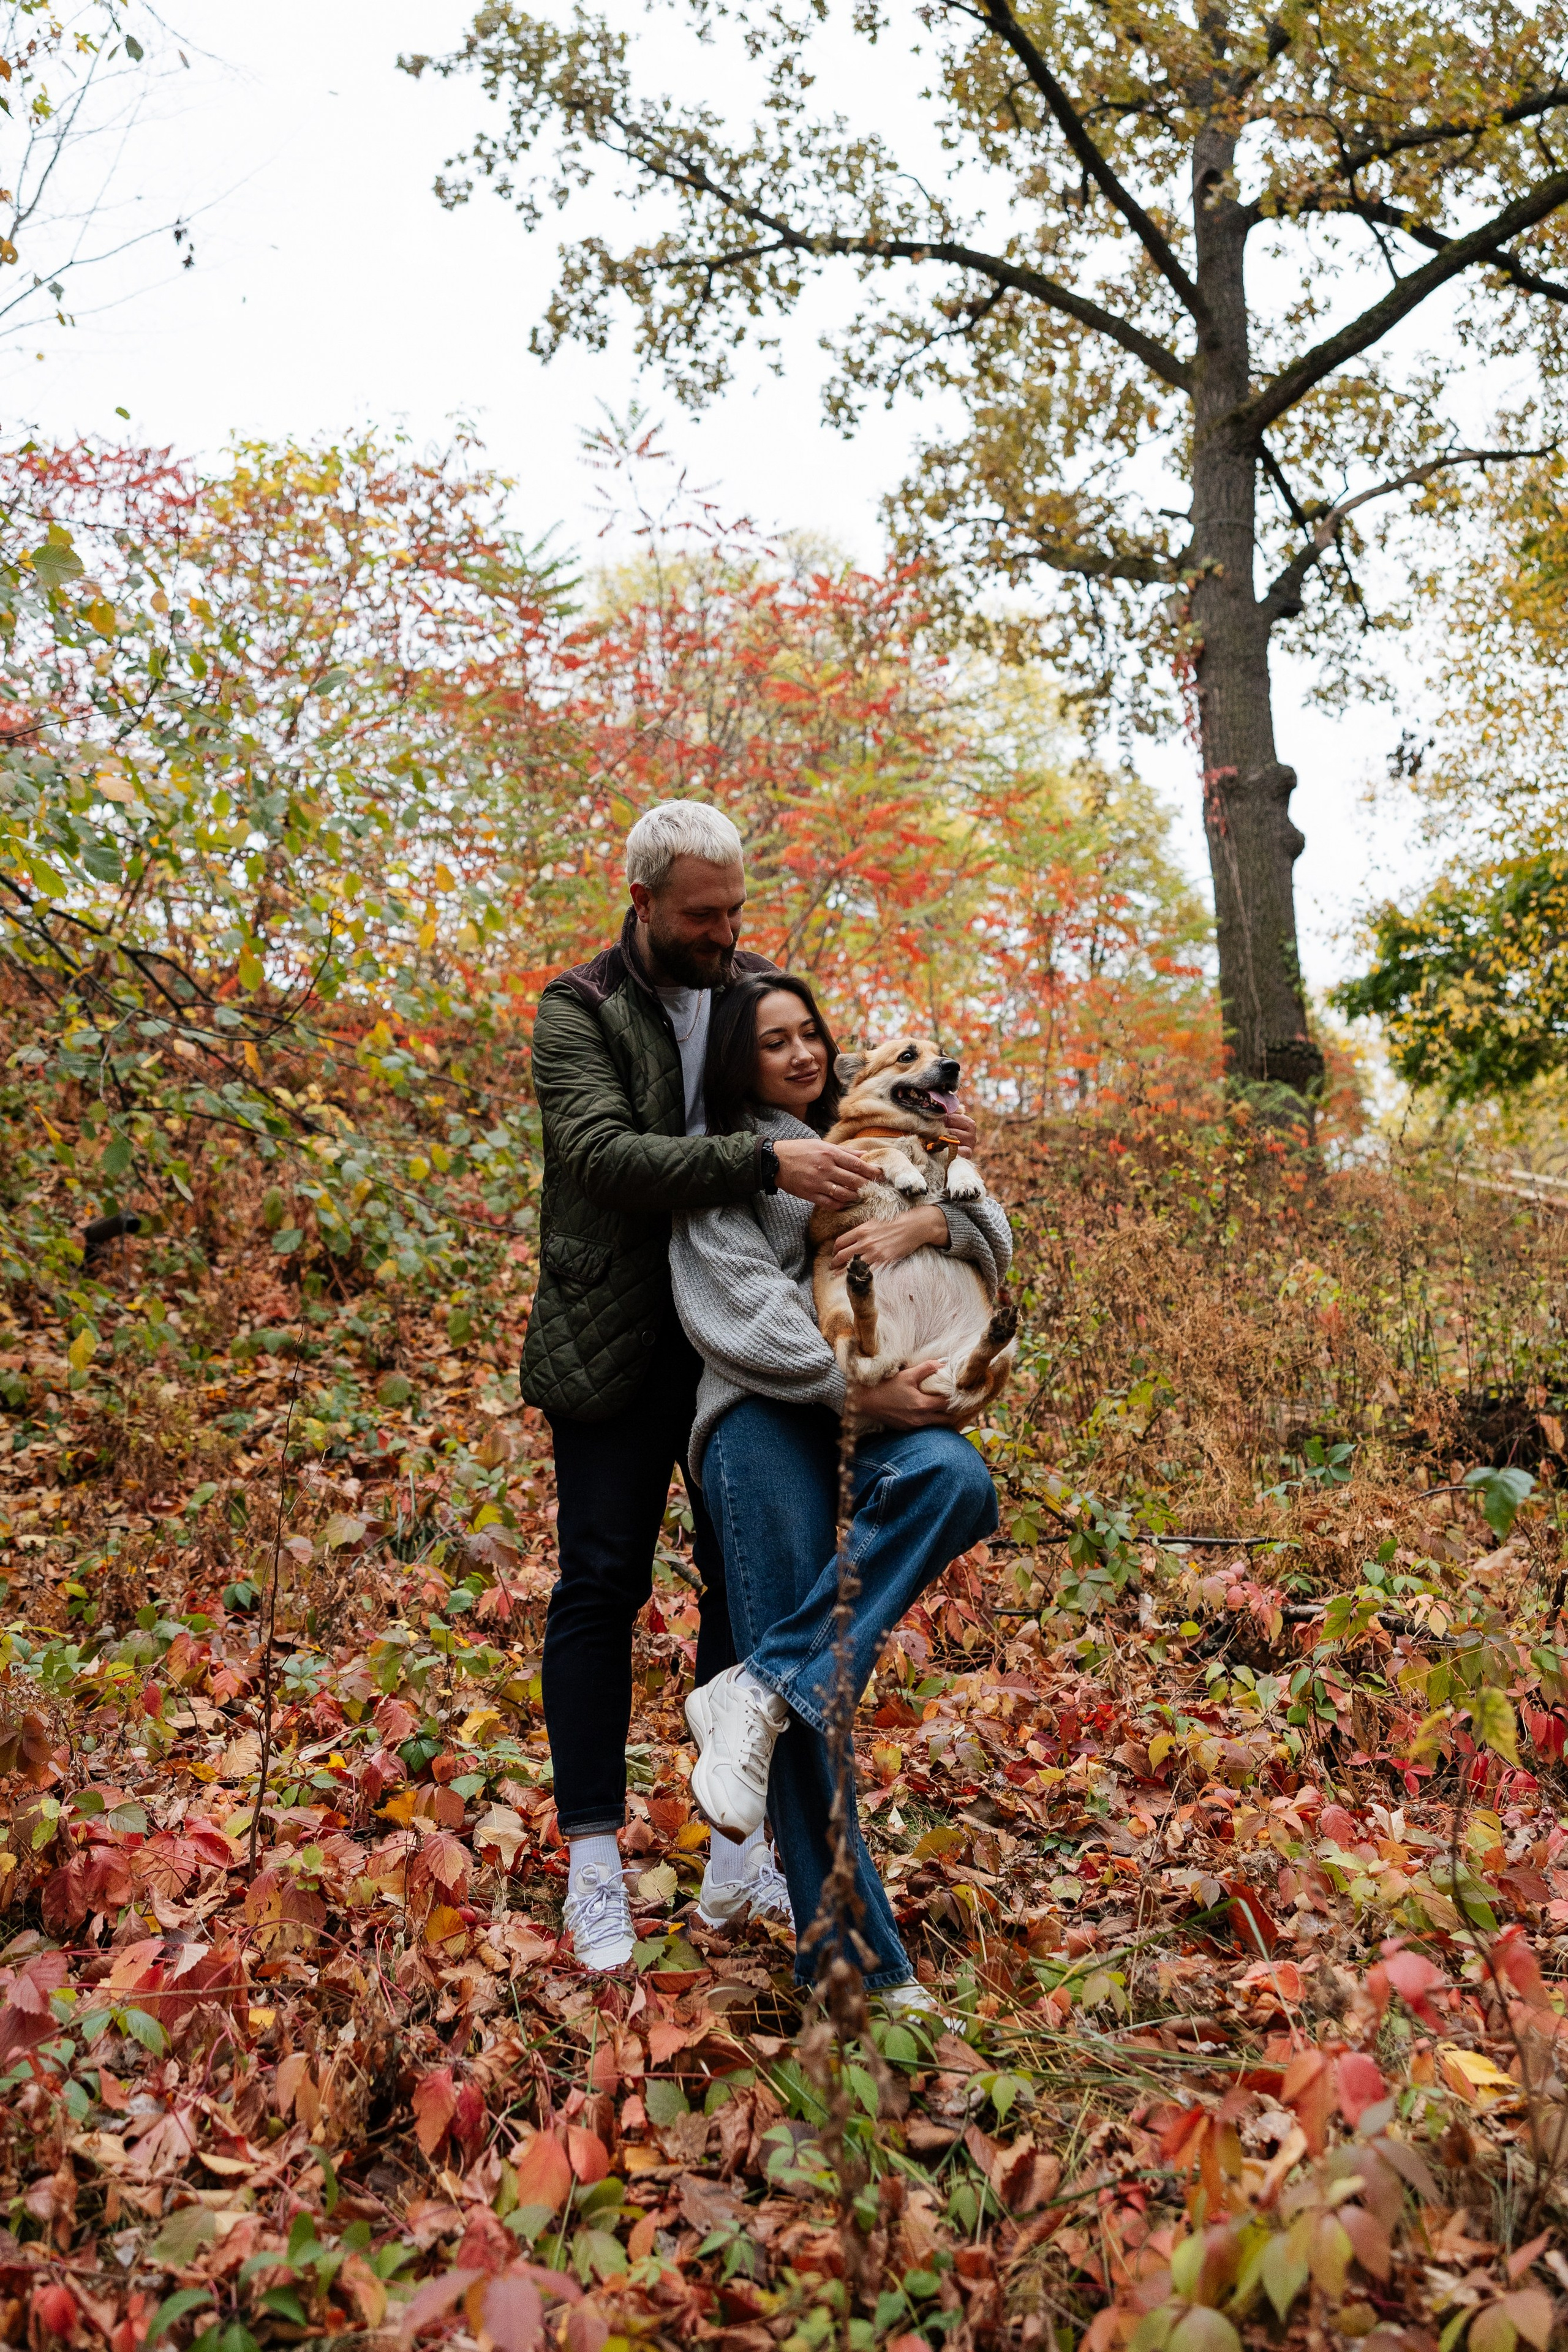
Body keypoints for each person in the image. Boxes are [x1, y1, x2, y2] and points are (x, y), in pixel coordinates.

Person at [522, 801, 892, 1973]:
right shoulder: (576, 1011)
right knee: (601, 1586)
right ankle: (593, 1869)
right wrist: (758, 1157)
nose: (728, 934)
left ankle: (740, 1861)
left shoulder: (754, 989)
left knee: (753, 1589)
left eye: (736, 909)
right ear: (642, 902)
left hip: (745, 1335)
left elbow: (828, 1108)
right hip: (618, 1343)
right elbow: (602, 1154)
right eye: (702, 916)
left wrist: (916, 1132)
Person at [668, 974, 1009, 2003]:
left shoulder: (892, 1134)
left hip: (887, 1402)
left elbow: (993, 1235)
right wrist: (856, 1398)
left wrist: (931, 1232)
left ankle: (756, 1687)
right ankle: (854, 1961)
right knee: (818, 1694)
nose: (801, 1056)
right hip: (766, 1416)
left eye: (811, 1034)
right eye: (773, 1044)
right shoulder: (730, 1161)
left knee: (958, 1482)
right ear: (738, 1063)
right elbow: (737, 1313)